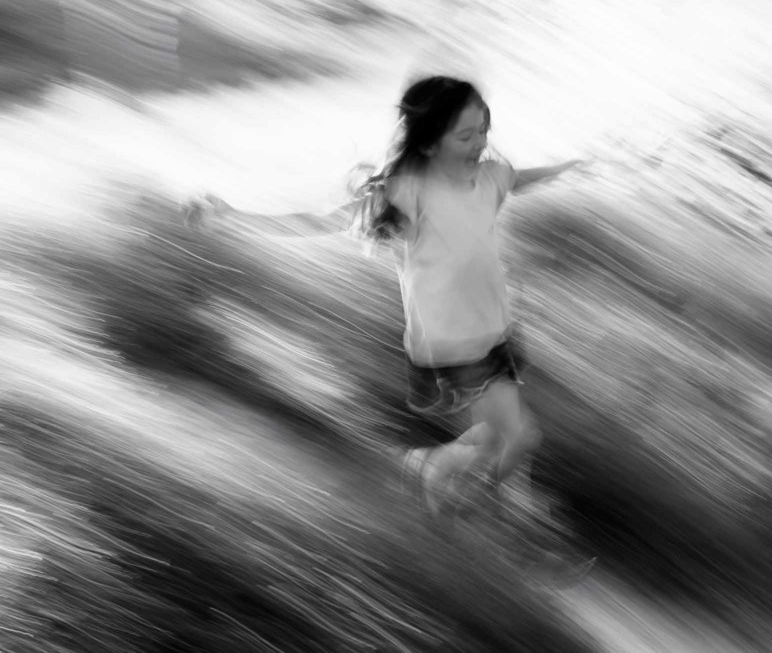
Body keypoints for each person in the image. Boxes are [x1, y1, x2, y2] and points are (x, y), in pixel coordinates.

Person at [190, 75, 583, 519]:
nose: (479, 144)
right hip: (452, 343)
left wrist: (568, 168)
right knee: (519, 437)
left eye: (483, 131)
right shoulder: (406, 193)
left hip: (495, 329)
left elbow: (517, 179)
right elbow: (320, 222)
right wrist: (233, 217)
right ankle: (510, 520)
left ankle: (431, 468)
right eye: (466, 135)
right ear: (431, 143)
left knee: (496, 438)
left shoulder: (490, 178)